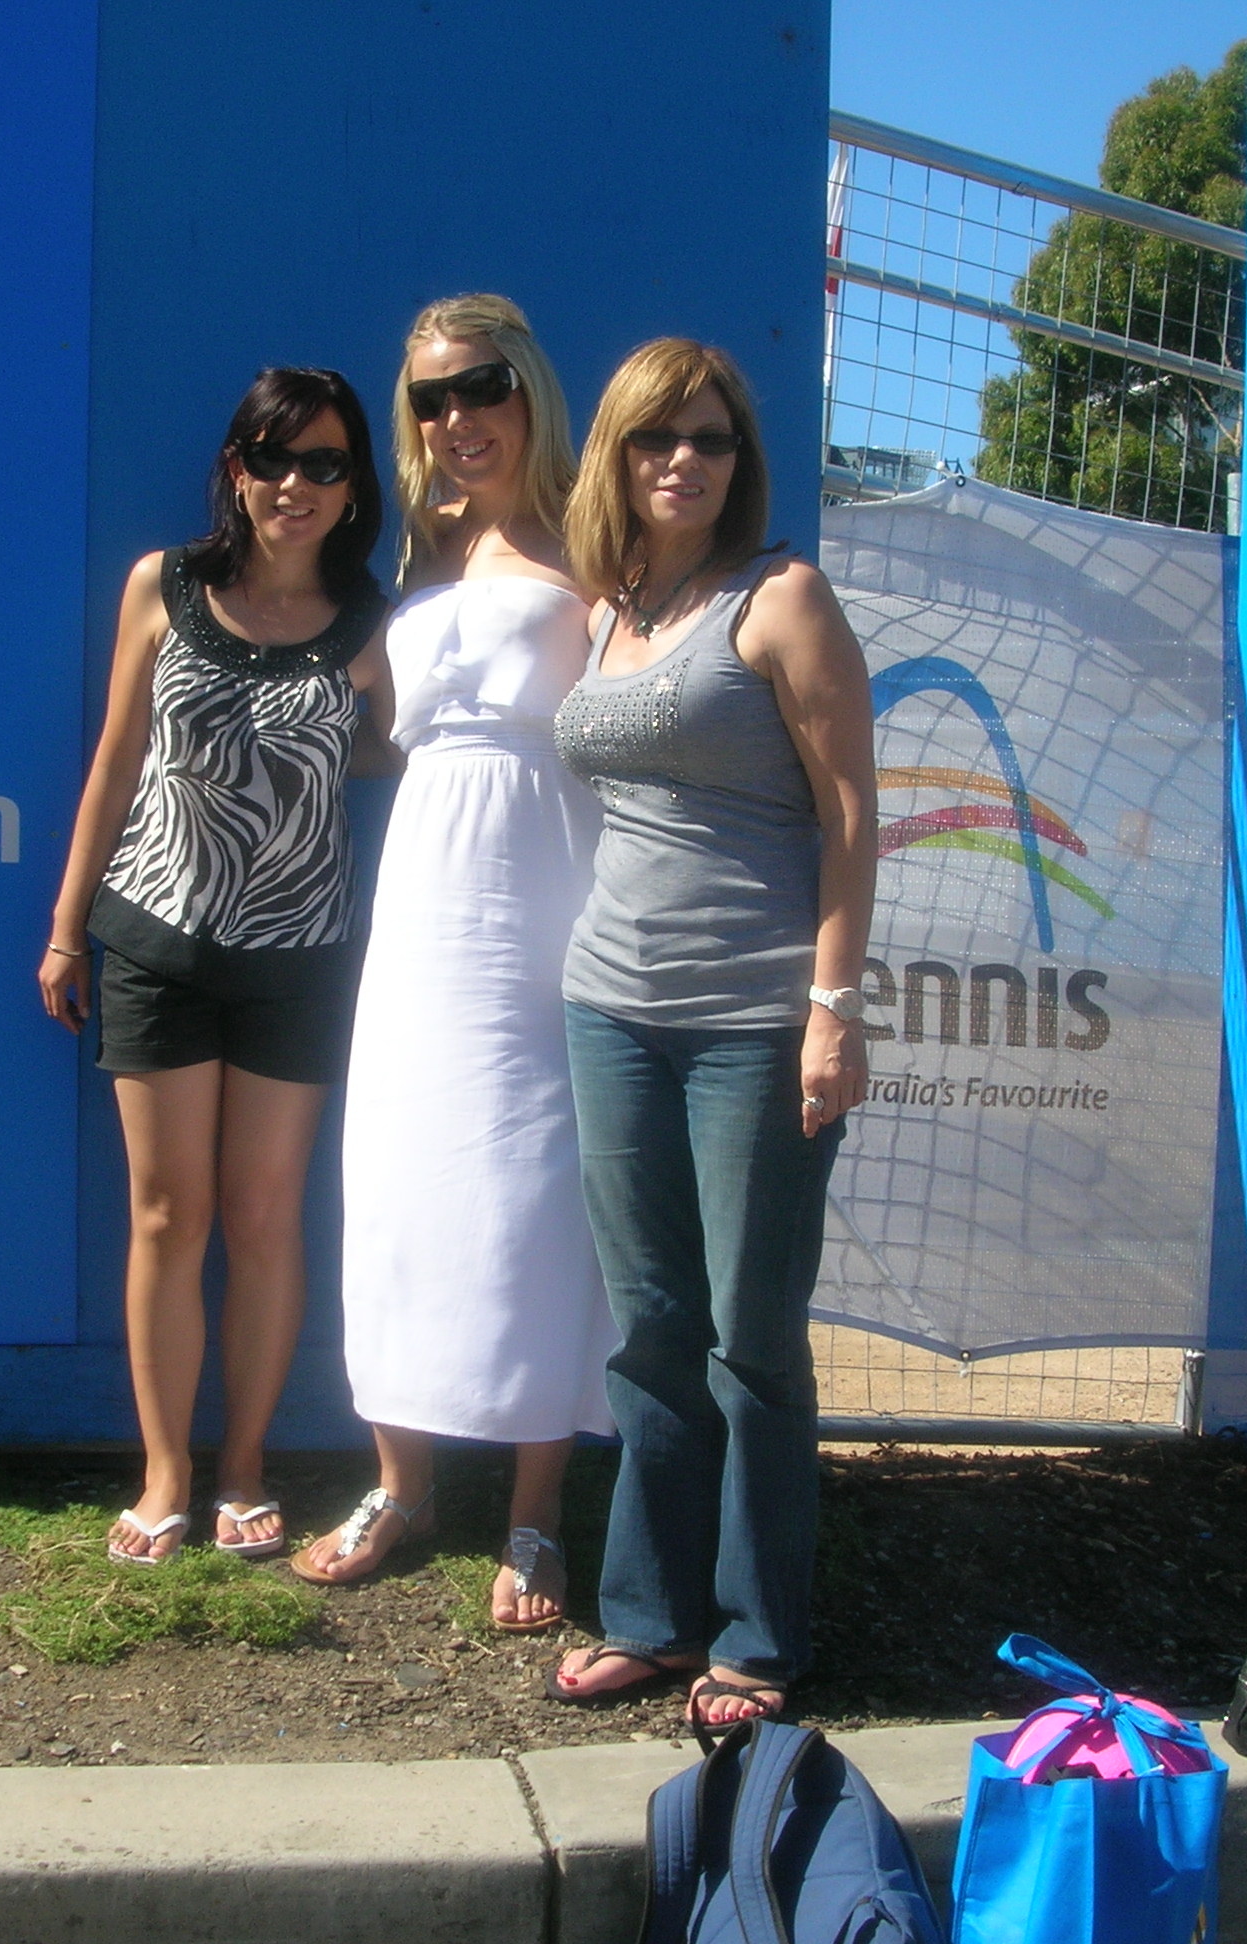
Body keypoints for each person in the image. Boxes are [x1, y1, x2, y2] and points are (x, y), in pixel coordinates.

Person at [542, 339, 877, 1728]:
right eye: (654, 439)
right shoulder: (609, 610)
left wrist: (832, 1010)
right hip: (610, 1006)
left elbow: (853, 813)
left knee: (753, 1340)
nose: (684, 460)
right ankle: (649, 1616)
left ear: (743, 463)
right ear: (614, 455)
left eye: (713, 439)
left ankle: (757, 1633)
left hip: (753, 1020)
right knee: (651, 1330)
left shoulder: (783, 597)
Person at [293, 297, 616, 1633]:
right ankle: (404, 1485)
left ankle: (537, 1514)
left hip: (546, 894)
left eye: (480, 387)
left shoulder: (597, 543)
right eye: (428, 398)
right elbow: (385, 729)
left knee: (539, 1191)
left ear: (529, 389)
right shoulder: (420, 554)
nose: (455, 418)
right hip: (423, 899)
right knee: (401, 1180)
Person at [39, 368, 392, 1567]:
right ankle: (166, 1471)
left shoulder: (375, 621)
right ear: (236, 469)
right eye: (273, 459)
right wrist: (64, 925)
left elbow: (407, 753)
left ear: (355, 489)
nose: (296, 485)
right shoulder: (166, 585)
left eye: (327, 464)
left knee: (262, 1213)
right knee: (166, 1213)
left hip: (300, 955)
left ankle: (245, 1462)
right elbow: (115, 759)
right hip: (155, 942)